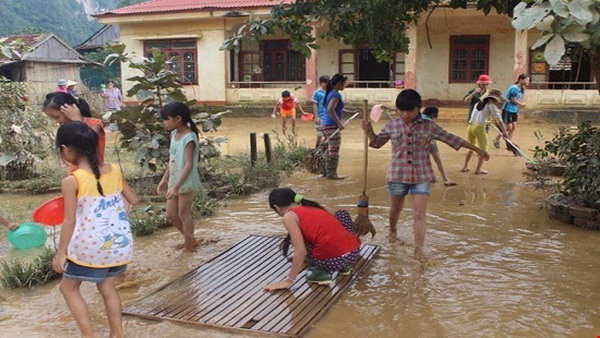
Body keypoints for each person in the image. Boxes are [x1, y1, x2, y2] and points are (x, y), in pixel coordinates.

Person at [361, 89, 490, 261]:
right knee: (396, 209)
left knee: (419, 214)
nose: (406, 114)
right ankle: (392, 230)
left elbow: (451, 138)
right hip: (397, 175)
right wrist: (369, 131)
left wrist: (477, 149)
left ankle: (418, 250)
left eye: (410, 111)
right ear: (397, 109)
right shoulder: (391, 125)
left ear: (418, 109)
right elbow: (376, 143)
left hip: (421, 176)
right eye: (402, 110)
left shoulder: (429, 126)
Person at [52, 121, 139, 338]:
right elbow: (134, 199)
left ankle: (89, 336)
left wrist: (61, 253)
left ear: (66, 149)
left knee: (68, 288)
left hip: (90, 246)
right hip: (119, 243)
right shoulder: (115, 170)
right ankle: (117, 334)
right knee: (107, 288)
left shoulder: (72, 180)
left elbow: (69, 221)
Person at [264, 188, 361, 290]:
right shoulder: (314, 207)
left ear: (276, 208)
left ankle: (320, 272)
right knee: (341, 215)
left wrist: (288, 281)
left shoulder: (289, 216)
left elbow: (301, 251)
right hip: (353, 254)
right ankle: (345, 267)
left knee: (299, 240)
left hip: (332, 261)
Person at [157, 102, 202, 252]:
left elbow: (189, 165)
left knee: (184, 214)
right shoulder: (174, 135)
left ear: (178, 119)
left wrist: (176, 187)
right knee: (171, 214)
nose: (164, 122)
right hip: (174, 180)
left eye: (166, 119)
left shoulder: (189, 137)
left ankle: (189, 248)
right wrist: (165, 179)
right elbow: (172, 159)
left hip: (186, 181)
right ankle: (191, 240)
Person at [43, 92, 106, 171]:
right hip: (75, 175)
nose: (56, 121)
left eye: (57, 117)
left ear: (69, 108)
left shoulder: (94, 124)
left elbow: (87, 143)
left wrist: (77, 120)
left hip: (93, 174)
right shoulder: (66, 129)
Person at [461, 89, 509, 174]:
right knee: (483, 149)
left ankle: (465, 166)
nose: (499, 103)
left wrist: (486, 121)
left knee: (471, 147)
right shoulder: (491, 106)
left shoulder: (477, 104)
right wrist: (504, 132)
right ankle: (478, 169)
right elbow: (499, 120)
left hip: (471, 126)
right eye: (498, 101)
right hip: (479, 128)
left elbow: (477, 116)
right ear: (492, 99)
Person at [322, 73, 360, 179]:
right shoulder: (336, 95)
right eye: (344, 83)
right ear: (339, 83)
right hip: (332, 125)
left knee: (328, 148)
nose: (345, 85)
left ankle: (325, 172)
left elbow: (337, 108)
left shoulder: (330, 93)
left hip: (325, 124)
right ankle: (331, 174)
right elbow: (330, 109)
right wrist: (339, 123)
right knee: (334, 149)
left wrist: (351, 112)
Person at [493, 73, 530, 153]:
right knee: (507, 128)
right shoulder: (514, 88)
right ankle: (497, 139)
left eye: (528, 80)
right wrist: (521, 104)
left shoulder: (522, 88)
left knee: (513, 127)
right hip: (507, 109)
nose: (528, 81)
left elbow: (517, 99)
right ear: (520, 79)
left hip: (514, 110)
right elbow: (512, 100)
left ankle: (509, 143)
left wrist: (518, 107)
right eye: (526, 79)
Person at [421, 107, 456, 186]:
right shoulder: (429, 121)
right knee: (438, 160)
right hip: (430, 141)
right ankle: (445, 179)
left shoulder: (419, 117)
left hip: (418, 142)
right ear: (433, 114)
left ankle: (429, 178)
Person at [311, 75, 330, 145]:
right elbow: (314, 104)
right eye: (325, 83)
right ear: (320, 83)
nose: (326, 84)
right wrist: (316, 117)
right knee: (319, 134)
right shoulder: (317, 93)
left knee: (328, 135)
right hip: (320, 117)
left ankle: (324, 150)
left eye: (327, 83)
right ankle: (316, 148)